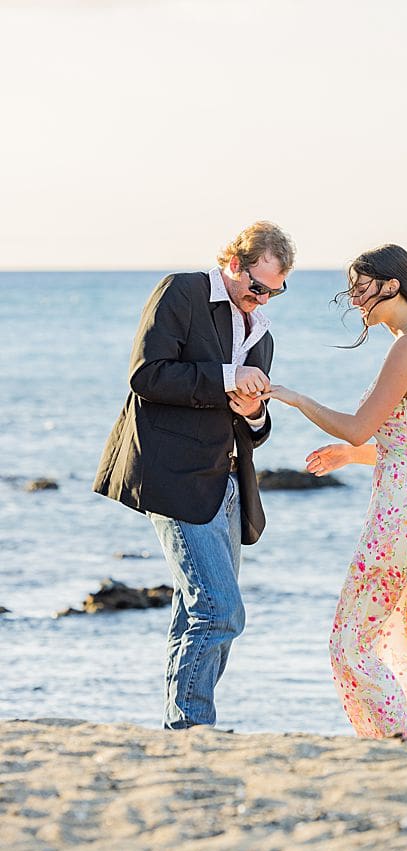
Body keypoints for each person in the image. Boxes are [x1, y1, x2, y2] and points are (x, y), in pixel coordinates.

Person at [93, 220, 296, 728]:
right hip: (175, 475)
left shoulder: (260, 330)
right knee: (219, 610)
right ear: (233, 263)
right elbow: (146, 374)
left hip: (227, 483)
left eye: (276, 291)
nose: (263, 298)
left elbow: (252, 427)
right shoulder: (182, 291)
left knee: (197, 610)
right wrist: (228, 377)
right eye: (257, 286)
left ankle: (182, 725)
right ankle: (191, 727)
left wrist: (253, 413)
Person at [263, 244, 407, 740]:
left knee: (351, 640)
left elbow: (357, 426)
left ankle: (391, 744)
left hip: (403, 511)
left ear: (390, 287)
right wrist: (353, 457)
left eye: (360, 286)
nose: (352, 298)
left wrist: (295, 398)